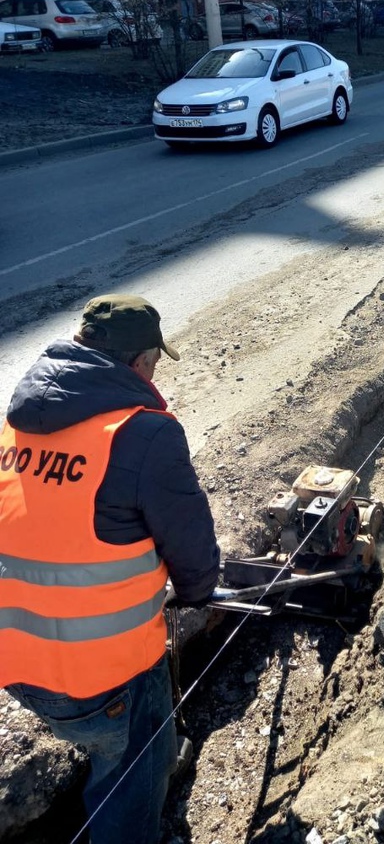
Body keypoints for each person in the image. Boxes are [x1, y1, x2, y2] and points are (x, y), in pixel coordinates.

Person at [0, 293, 220, 844]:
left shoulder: (13, 428)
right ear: (143, 361)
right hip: (100, 679)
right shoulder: (146, 434)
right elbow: (191, 550)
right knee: (128, 768)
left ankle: (159, 759)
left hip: (17, 666)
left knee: (135, 740)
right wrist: (198, 591)